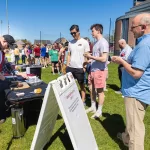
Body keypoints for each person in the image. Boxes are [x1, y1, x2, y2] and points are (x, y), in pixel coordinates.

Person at [111, 13, 150, 150]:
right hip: (137, 91)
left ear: (143, 27)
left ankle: (131, 142)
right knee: (132, 123)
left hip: (136, 93)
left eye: (133, 27)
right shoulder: (144, 43)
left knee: (135, 130)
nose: (131, 30)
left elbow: (136, 73)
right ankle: (125, 138)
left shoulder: (145, 45)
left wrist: (121, 61)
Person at [84, 24, 109, 118]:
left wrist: (90, 56)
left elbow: (104, 59)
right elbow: (96, 58)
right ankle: (93, 106)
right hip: (93, 70)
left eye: (93, 31)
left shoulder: (103, 42)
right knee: (91, 89)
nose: (91, 33)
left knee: (100, 91)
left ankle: (99, 110)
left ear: (98, 31)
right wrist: (89, 61)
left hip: (99, 71)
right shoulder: (96, 43)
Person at [66, 24, 90, 105]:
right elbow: (69, 54)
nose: (73, 35)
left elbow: (86, 55)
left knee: (82, 85)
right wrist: (67, 65)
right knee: (69, 85)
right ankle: (71, 99)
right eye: (71, 33)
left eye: (74, 33)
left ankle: (83, 100)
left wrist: (84, 66)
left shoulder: (84, 42)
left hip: (80, 68)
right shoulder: (70, 43)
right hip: (70, 67)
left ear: (78, 32)